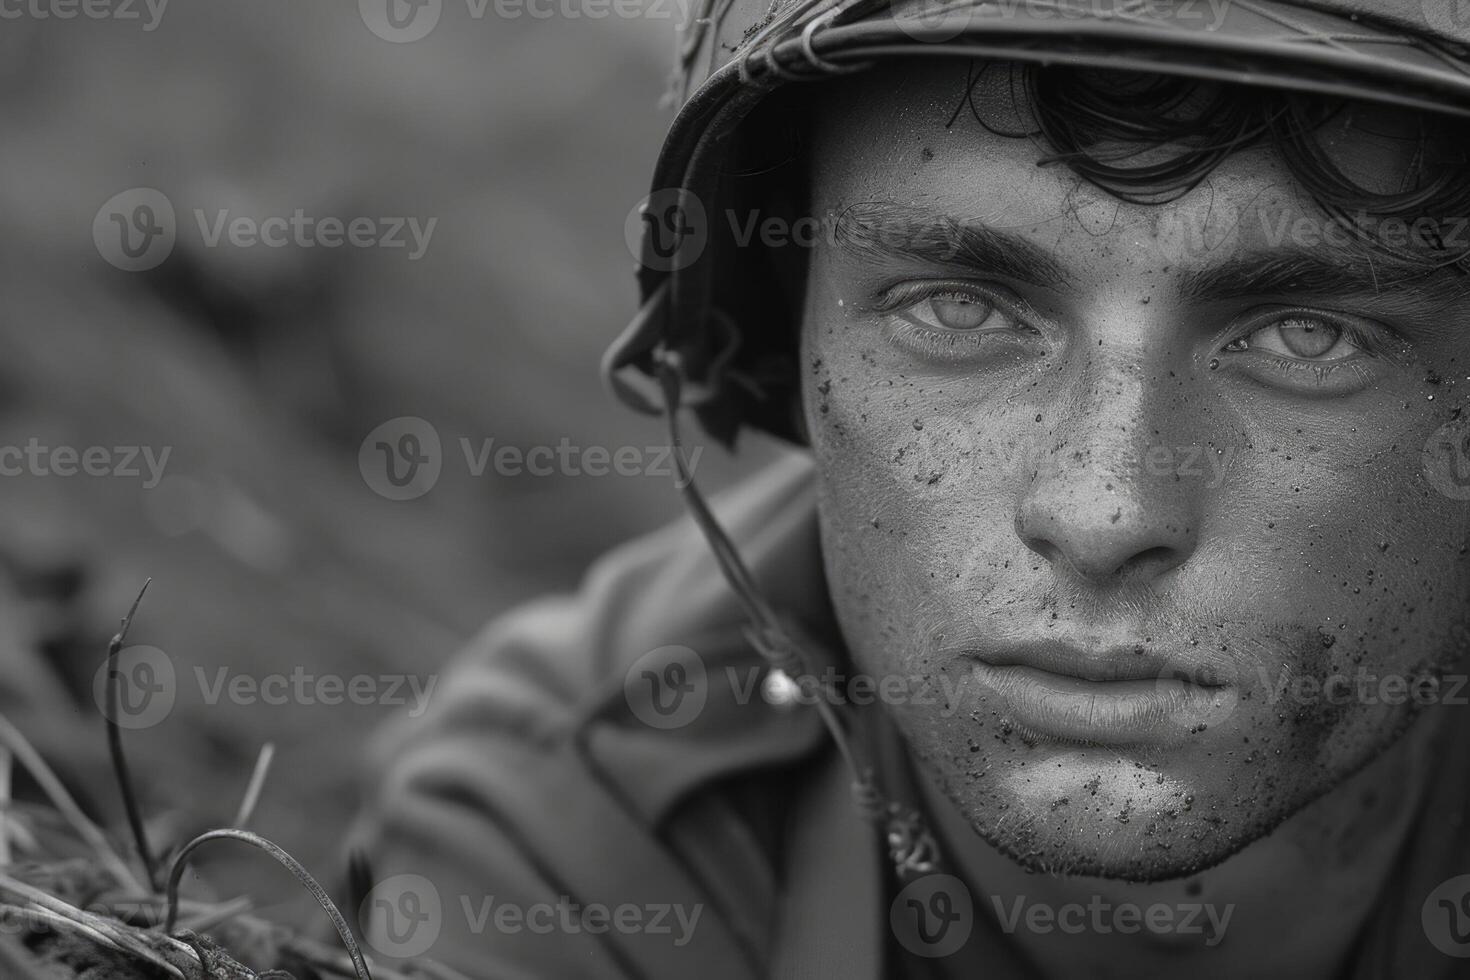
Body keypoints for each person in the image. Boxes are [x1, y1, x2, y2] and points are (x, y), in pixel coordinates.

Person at [348, 1, 1470, 976]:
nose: (1102, 510)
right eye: (958, 308)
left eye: (1307, 334)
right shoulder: (579, 836)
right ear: (790, 337)